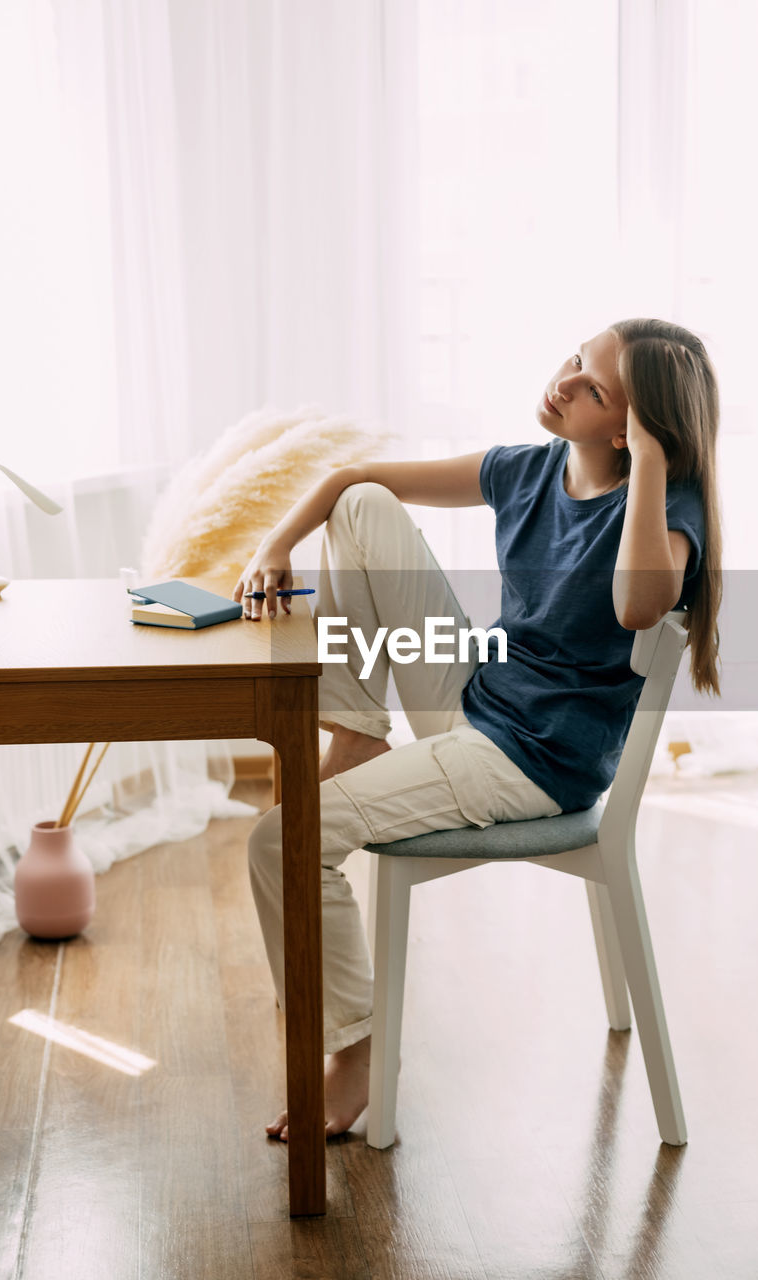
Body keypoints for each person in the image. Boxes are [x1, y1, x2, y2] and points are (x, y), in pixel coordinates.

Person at [233, 317, 722, 1141]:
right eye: (574, 361)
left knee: (279, 842)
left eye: (592, 389)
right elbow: (353, 477)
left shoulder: (663, 510)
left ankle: (356, 1053)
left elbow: (639, 606)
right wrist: (276, 543)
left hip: (530, 761)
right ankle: (356, 728)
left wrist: (648, 465)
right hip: (476, 692)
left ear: (633, 429)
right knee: (361, 506)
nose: (562, 384)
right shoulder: (527, 470)